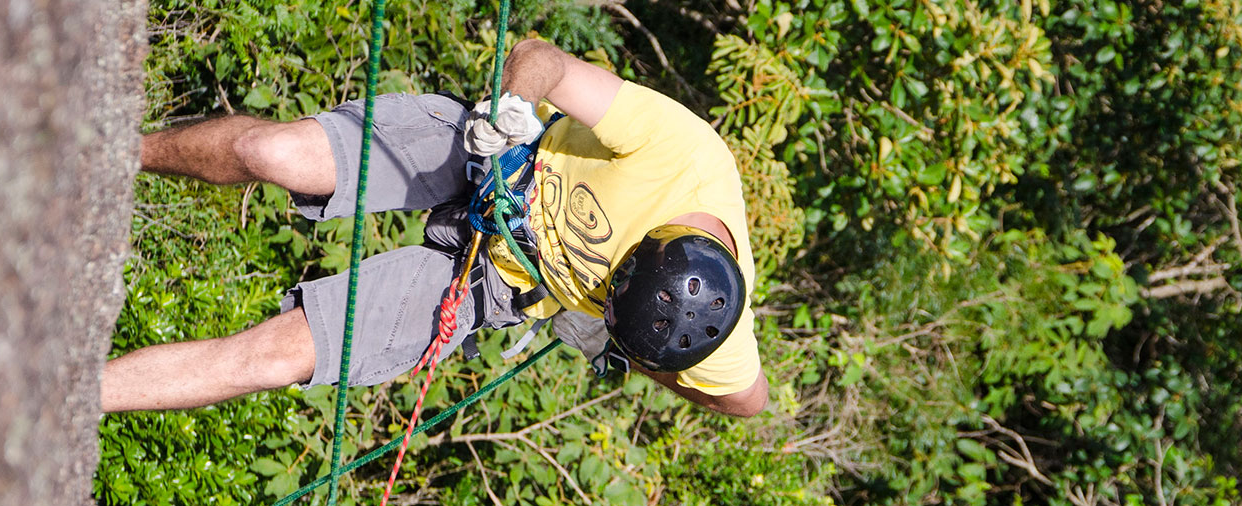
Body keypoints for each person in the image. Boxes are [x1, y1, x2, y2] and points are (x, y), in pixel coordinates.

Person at [105, 39, 768, 418]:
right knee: (273, 156)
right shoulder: (681, 154)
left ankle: (73, 401)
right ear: (658, 241)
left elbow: (748, 403)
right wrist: (511, 103)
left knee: (280, 356)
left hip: (500, 286)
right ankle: (110, 154)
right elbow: (547, 60)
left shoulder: (715, 338)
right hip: (497, 157)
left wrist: (615, 340)